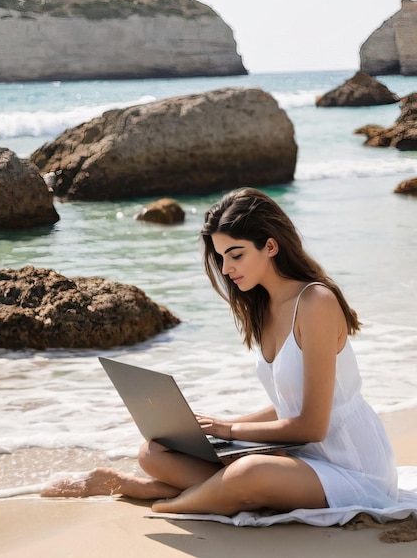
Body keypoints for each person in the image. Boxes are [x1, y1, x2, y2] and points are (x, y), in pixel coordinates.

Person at [42, 187, 398, 515]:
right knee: (155, 452)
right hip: (300, 458)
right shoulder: (265, 307)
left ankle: (168, 498)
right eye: (221, 257)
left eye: (236, 254)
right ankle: (188, 487)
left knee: (251, 471)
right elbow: (291, 401)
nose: (226, 270)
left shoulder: (315, 302)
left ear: (270, 246)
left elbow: (313, 425)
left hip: (353, 468)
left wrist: (230, 429)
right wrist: (213, 428)